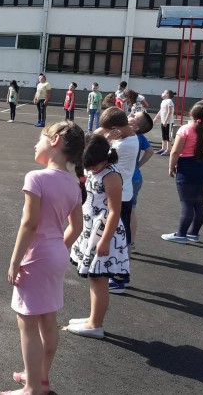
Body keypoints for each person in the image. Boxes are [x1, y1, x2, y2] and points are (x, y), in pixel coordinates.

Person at [0, 121, 84, 395]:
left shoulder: (36, 178)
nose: (36, 144)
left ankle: (32, 388)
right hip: (57, 254)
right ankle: (40, 378)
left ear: (56, 140)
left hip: (37, 257)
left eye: (41, 139)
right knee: (48, 319)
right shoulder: (73, 184)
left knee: (27, 323)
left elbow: (30, 224)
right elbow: (77, 227)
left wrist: (15, 261)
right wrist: (59, 247)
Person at [67, 134, 129, 340]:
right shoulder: (94, 164)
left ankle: (96, 325)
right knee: (95, 278)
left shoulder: (111, 176)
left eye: (94, 165)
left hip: (104, 231)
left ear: (105, 158)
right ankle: (93, 319)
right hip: (91, 228)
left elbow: (115, 211)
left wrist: (105, 240)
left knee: (99, 278)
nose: (91, 169)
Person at [95, 107, 139, 294]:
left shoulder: (122, 146)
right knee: (119, 235)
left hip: (119, 195)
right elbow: (95, 135)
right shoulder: (128, 138)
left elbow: (97, 159)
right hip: (123, 193)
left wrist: (106, 140)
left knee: (117, 238)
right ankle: (119, 275)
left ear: (115, 129)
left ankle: (119, 278)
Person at [162, 101, 203, 244]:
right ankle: (194, 233)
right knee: (199, 203)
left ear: (191, 113)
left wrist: (171, 167)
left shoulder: (185, 129)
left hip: (186, 166)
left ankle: (181, 234)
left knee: (186, 202)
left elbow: (175, 151)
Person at [127, 111, 155, 253]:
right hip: (135, 178)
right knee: (130, 211)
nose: (130, 114)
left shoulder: (128, 136)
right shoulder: (139, 137)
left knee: (124, 211)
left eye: (134, 116)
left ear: (136, 126)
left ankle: (127, 242)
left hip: (128, 179)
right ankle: (130, 243)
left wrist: (137, 165)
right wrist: (138, 165)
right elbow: (150, 151)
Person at [156, 89, 176, 155]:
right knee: (163, 135)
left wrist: (166, 121)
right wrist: (155, 118)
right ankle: (163, 148)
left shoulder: (169, 101)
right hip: (163, 121)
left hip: (168, 122)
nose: (162, 93)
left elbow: (170, 112)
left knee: (168, 136)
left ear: (167, 94)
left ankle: (168, 150)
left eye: (164, 92)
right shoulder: (163, 101)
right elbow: (161, 111)